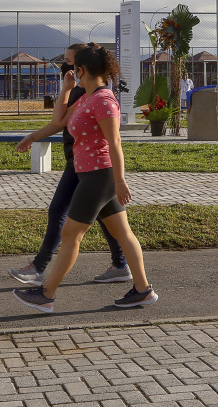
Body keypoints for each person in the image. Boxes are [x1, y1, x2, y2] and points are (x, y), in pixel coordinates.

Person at [13, 43, 158, 313]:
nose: (70, 70)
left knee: (70, 234)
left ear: (82, 69)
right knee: (123, 234)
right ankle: (143, 290)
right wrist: (66, 90)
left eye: (73, 67)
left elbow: (115, 142)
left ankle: (46, 294)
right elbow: (58, 121)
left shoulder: (103, 100)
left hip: (99, 176)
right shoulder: (87, 96)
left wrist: (120, 180)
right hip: (90, 174)